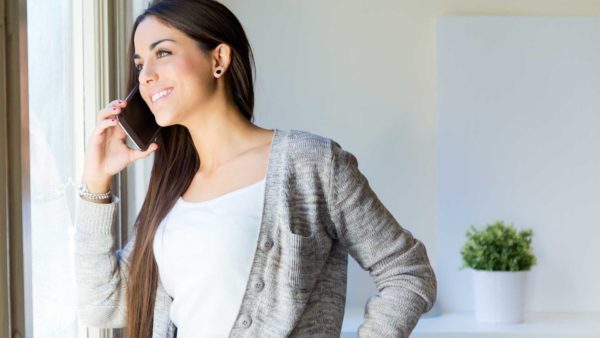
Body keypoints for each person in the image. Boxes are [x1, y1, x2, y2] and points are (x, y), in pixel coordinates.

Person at [74, 1, 436, 337]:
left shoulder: (311, 164)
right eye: (140, 64)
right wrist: (96, 181)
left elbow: (409, 273)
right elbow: (101, 307)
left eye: (163, 53)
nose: (145, 77)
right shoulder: (171, 188)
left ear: (219, 58)